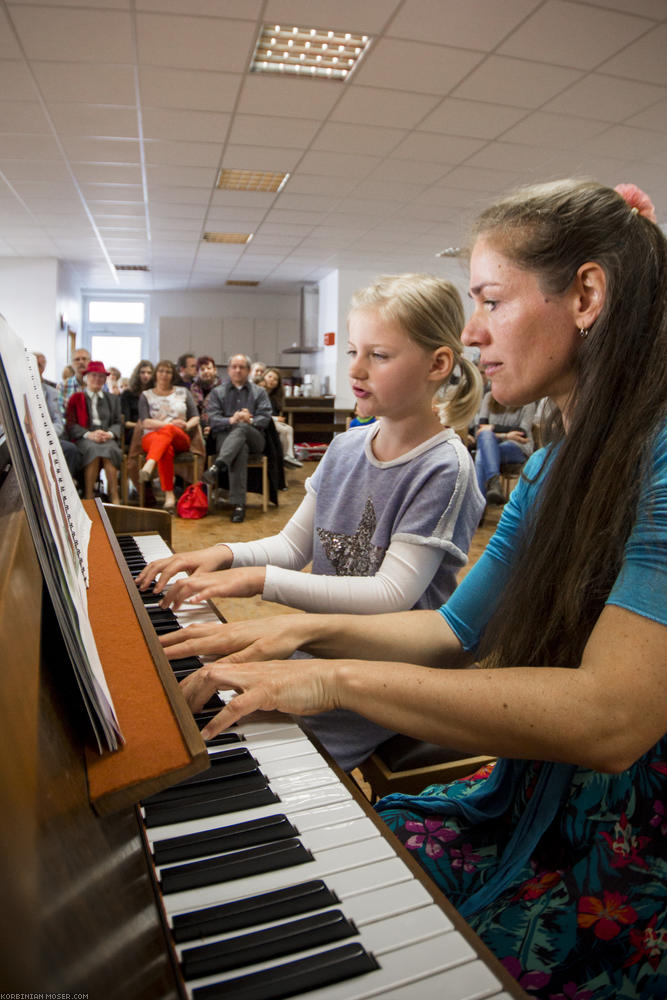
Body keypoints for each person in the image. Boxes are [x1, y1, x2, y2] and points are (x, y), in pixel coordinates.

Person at [164, 180, 667, 999]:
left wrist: (329, 672)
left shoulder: (662, 457)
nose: (471, 334)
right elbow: (450, 633)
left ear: (584, 295)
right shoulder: (545, 471)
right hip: (529, 799)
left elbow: (612, 717)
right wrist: (290, 636)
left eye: (491, 301)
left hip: (623, 851)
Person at [138, 273, 485, 769]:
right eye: (352, 352)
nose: (356, 370)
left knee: (244, 759)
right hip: (325, 648)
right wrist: (223, 554)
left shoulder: (444, 467)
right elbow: (292, 546)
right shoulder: (345, 448)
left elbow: (391, 595)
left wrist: (260, 581)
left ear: (438, 364)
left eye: (378, 355)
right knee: (195, 703)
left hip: (388, 675)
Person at [201, 354, 273, 523]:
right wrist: (231, 420)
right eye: (234, 367)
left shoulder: (259, 392)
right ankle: (239, 505)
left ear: (248, 370)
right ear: (228, 370)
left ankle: (217, 466)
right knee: (240, 449)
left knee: (242, 428)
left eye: (242, 367)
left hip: (255, 437)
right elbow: (211, 418)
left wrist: (251, 420)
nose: (238, 370)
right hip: (225, 438)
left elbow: (266, 417)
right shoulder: (217, 392)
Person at [137, 359, 200, 513]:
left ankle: (150, 463)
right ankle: (169, 496)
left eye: (168, 371)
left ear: (173, 375)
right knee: (166, 448)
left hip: (180, 436)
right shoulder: (146, 395)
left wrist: (186, 425)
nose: (164, 375)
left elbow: (196, 417)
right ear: (155, 374)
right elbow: (145, 422)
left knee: (169, 433)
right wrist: (169, 425)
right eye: (161, 371)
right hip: (152, 437)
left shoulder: (183, 392)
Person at [65, 360, 121, 502]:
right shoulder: (77, 398)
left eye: (101, 376)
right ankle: (89, 496)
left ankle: (114, 495)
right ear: (86, 377)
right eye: (93, 375)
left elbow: (117, 422)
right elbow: (71, 424)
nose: (97, 379)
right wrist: (89, 434)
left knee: (110, 450)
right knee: (93, 450)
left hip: (107, 436)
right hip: (86, 437)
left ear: (105, 379)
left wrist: (109, 434)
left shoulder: (112, 399)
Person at [474, 392, 538, 504]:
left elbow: (522, 432)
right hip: (490, 444)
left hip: (518, 447)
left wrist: (493, 428)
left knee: (481, 456)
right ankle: (494, 484)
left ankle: (477, 510)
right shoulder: (489, 397)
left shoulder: (528, 400)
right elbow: (481, 430)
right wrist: (507, 435)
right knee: (484, 443)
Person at [33, 351, 80, 477]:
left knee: (70, 449)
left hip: (46, 436)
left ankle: (64, 490)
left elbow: (58, 421)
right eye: (30, 363)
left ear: (43, 369)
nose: (33, 367)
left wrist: (44, 434)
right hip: (22, 438)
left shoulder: (51, 392)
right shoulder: (12, 390)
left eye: (38, 365)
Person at [262, 367, 302, 469]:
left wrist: (276, 419)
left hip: (272, 421)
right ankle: (286, 457)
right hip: (265, 422)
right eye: (270, 376)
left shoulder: (274, 397)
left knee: (289, 428)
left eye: (275, 379)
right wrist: (276, 419)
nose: (272, 380)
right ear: (264, 377)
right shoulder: (260, 393)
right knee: (284, 430)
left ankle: (289, 457)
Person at [189, 355, 221, 446]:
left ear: (215, 370)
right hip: (198, 426)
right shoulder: (192, 389)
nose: (206, 371)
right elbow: (192, 412)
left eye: (209, 368)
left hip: (217, 425)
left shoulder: (222, 388)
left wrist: (212, 426)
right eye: (202, 369)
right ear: (197, 372)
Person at [120, 360, 154, 445]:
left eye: (149, 373)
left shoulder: (155, 393)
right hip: (134, 429)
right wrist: (143, 426)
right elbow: (126, 422)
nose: (146, 375)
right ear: (137, 374)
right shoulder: (127, 394)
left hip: (154, 427)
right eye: (143, 372)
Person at [57, 347, 90, 419]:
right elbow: (60, 413)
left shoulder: (101, 385)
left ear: (90, 362)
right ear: (72, 364)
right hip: (70, 428)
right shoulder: (63, 386)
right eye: (77, 359)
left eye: (84, 359)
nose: (81, 362)